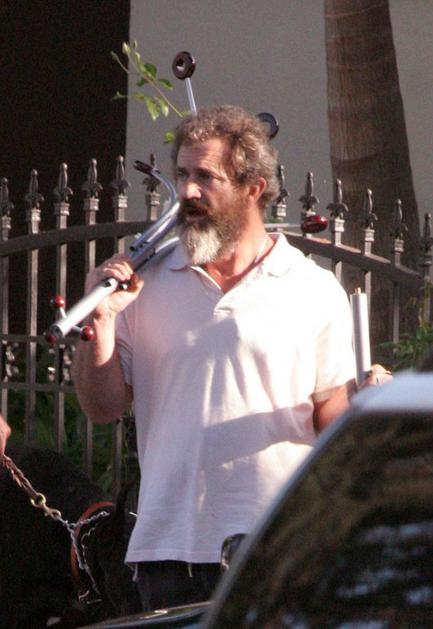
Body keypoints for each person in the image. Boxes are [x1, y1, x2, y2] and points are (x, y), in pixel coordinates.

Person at [72, 105, 389, 611]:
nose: (187, 192)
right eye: (182, 175)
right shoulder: (144, 283)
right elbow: (101, 406)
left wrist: (366, 406)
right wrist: (102, 322)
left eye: (206, 177)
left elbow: (329, 415)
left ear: (253, 188)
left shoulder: (312, 288)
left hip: (277, 545)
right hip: (169, 548)